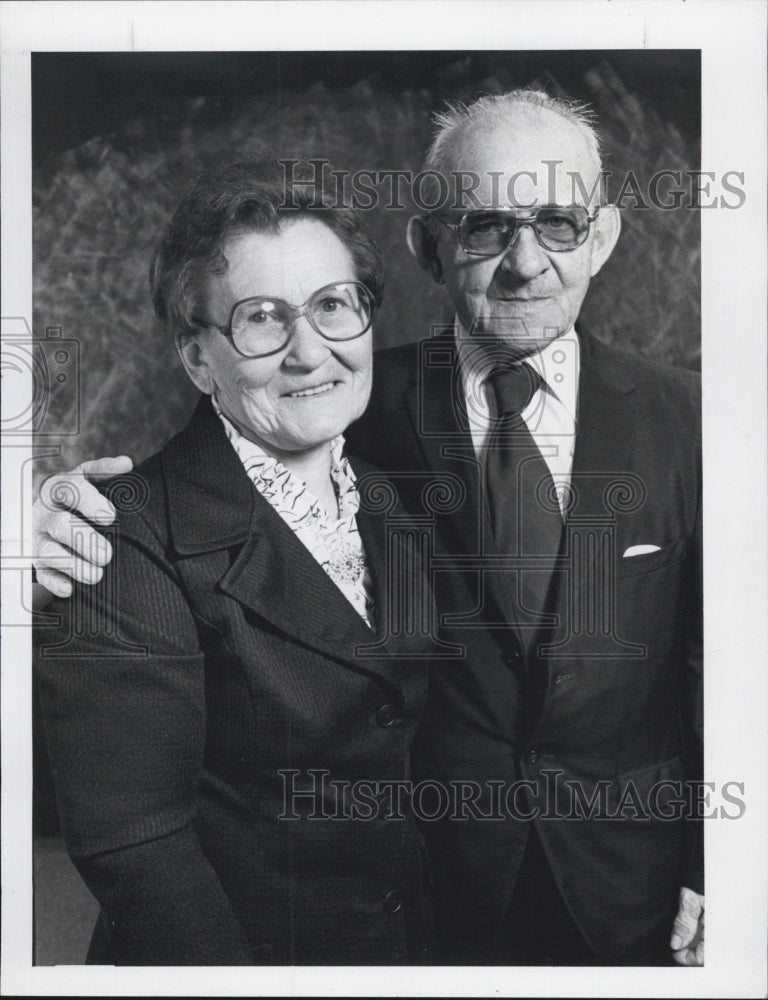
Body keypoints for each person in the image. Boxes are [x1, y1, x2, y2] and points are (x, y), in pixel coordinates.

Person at [34, 89, 703, 967]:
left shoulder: (698, 417)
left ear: (606, 236)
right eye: (485, 226)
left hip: (635, 890)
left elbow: (737, 664)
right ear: (429, 245)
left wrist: (723, 861)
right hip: (429, 901)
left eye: (560, 224)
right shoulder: (354, 405)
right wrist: (39, 518)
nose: (525, 262)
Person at [34, 159, 437, 966]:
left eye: (332, 305)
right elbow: (137, 847)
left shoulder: (398, 500)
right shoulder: (120, 536)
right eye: (261, 319)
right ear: (196, 358)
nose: (308, 350)